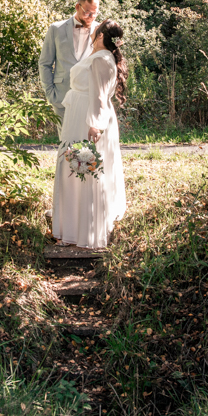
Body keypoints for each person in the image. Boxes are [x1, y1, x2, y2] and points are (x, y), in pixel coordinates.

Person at [51, 19, 127, 250]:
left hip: (87, 120)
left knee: (83, 170)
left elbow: (99, 95)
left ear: (102, 36)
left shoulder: (102, 60)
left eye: (95, 31)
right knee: (73, 168)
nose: (91, 33)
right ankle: (71, 228)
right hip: (79, 115)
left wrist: (94, 124)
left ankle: (82, 232)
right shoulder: (98, 57)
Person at [38, 0, 100, 127]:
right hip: (61, 95)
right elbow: (45, 63)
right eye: (88, 12)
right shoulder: (56, 29)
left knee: (87, 144)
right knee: (66, 143)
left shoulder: (100, 30)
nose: (91, 17)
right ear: (77, 7)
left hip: (89, 96)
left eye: (95, 13)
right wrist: (50, 93)